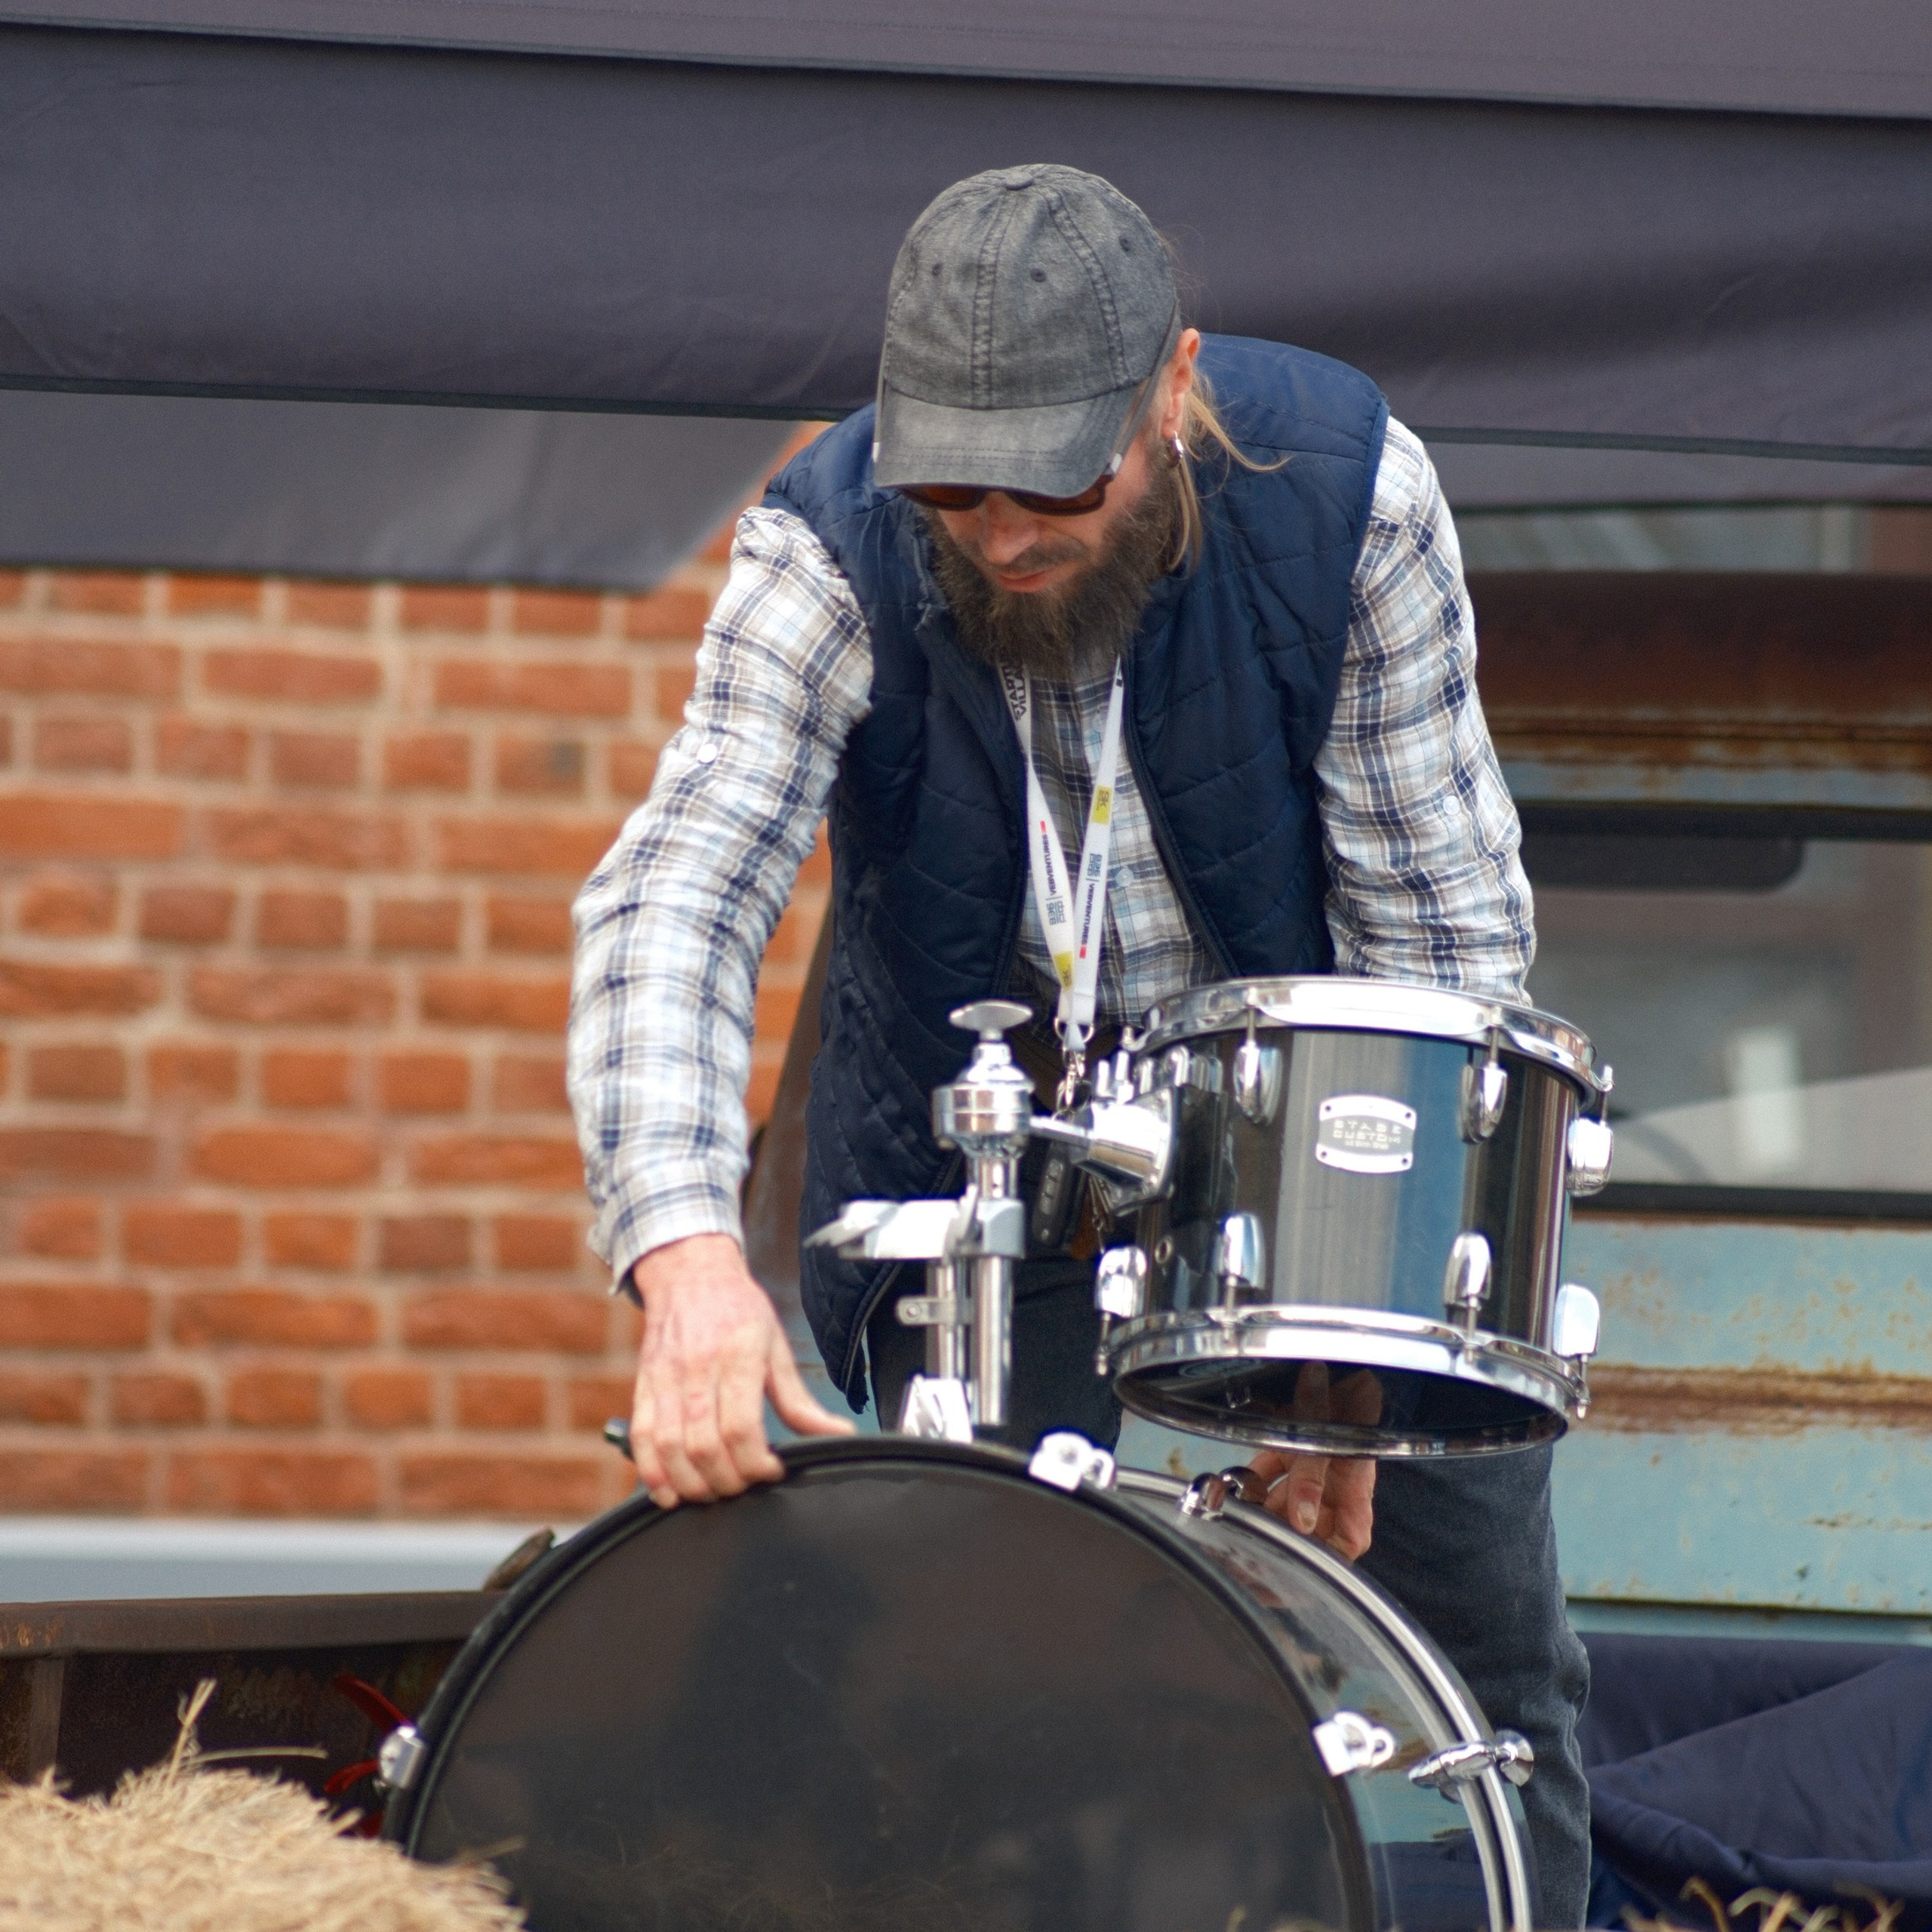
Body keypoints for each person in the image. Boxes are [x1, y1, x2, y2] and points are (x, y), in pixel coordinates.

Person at [571, 164, 1590, 1922]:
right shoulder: (822, 539)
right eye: (949, 485)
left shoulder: (1352, 493)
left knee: (1483, 1702)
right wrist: (681, 1255)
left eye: (1054, 477)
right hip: (989, 1205)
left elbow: (1443, 938)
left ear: (1169, 392)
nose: (998, 531)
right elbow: (674, 895)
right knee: (994, 1721)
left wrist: (1371, 1332)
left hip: (1327, 1171)